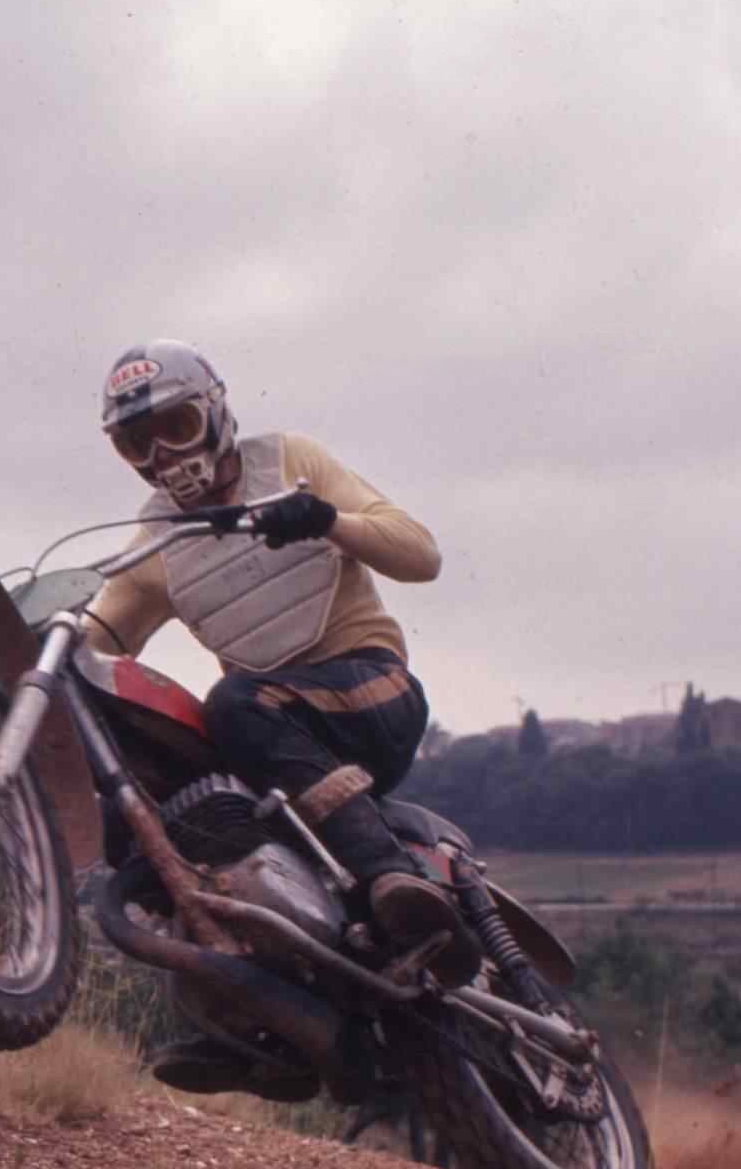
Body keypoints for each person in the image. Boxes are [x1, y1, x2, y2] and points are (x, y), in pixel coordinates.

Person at [85, 339, 466, 1090]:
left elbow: (422, 555)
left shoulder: (291, 460)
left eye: (177, 426)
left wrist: (325, 518)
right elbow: (96, 641)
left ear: (216, 412)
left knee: (234, 702)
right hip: (271, 734)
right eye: (137, 442)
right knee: (144, 806)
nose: (163, 456)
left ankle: (392, 879)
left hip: (373, 692)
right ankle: (257, 1022)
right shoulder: (158, 545)